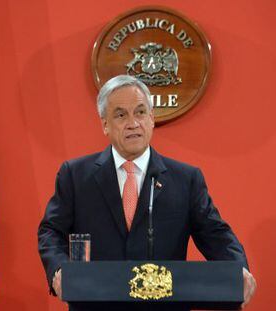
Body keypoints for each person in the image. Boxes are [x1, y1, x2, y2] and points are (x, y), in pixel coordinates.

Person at [38, 75, 256, 311]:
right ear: (105, 124)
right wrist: (60, 270)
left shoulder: (185, 179)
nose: (133, 123)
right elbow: (51, 231)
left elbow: (215, 234)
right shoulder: (76, 175)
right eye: (121, 115)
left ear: (152, 118)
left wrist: (238, 269)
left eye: (140, 112)